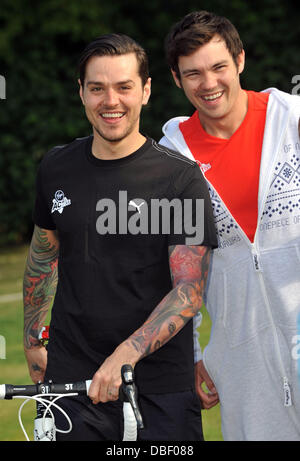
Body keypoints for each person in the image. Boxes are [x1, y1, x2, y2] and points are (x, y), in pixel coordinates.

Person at [23, 33, 218, 441]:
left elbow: (188, 291)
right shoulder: (56, 167)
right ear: (81, 93)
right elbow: (44, 256)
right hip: (72, 386)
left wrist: (125, 355)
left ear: (146, 90)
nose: (110, 101)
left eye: (124, 87)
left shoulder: (181, 179)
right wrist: (32, 341)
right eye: (97, 88)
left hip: (160, 389)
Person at [159, 10, 300, 441]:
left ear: (240, 60)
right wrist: (197, 353)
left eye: (219, 66)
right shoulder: (170, 159)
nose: (209, 83)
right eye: (193, 73)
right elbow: (175, 266)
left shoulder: (291, 120)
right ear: (176, 79)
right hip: (240, 355)